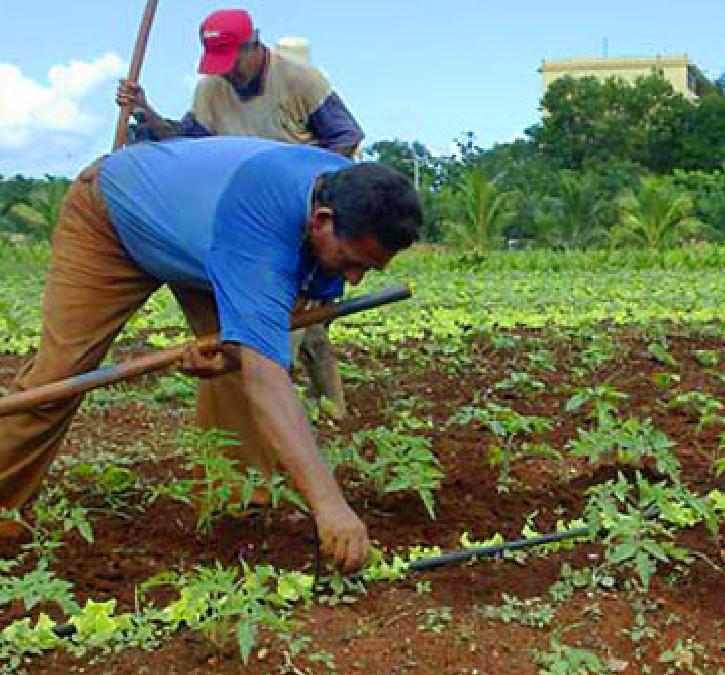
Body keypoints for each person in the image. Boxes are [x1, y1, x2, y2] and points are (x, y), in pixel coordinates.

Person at [0, 137, 421, 573]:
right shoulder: (261, 225)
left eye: (368, 269)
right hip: (113, 217)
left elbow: (267, 336)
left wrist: (230, 356)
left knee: (242, 366)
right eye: (351, 261)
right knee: (59, 378)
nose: (353, 279)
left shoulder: (342, 187)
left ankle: (237, 515)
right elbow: (267, 377)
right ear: (321, 219)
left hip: (207, 242)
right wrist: (331, 505)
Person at [117, 8, 362, 421]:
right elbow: (189, 144)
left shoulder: (300, 80)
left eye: (233, 62)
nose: (227, 73)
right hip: (246, 224)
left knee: (282, 332)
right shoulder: (212, 89)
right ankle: (323, 416)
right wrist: (147, 112)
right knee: (296, 326)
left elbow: (347, 137)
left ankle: (297, 424)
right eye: (219, 64)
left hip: (299, 222)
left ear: (255, 45)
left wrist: (295, 179)